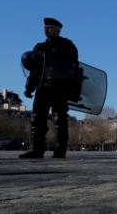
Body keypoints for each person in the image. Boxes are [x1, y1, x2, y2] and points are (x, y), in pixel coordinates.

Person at [20, 17, 79, 159]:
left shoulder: (67, 46)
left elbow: (74, 68)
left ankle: (60, 150)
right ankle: (36, 149)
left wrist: (72, 88)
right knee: (37, 119)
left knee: (60, 119)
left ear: (58, 30)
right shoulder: (40, 47)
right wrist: (29, 88)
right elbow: (35, 71)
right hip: (43, 87)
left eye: (50, 27)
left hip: (60, 88)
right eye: (45, 28)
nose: (46, 30)